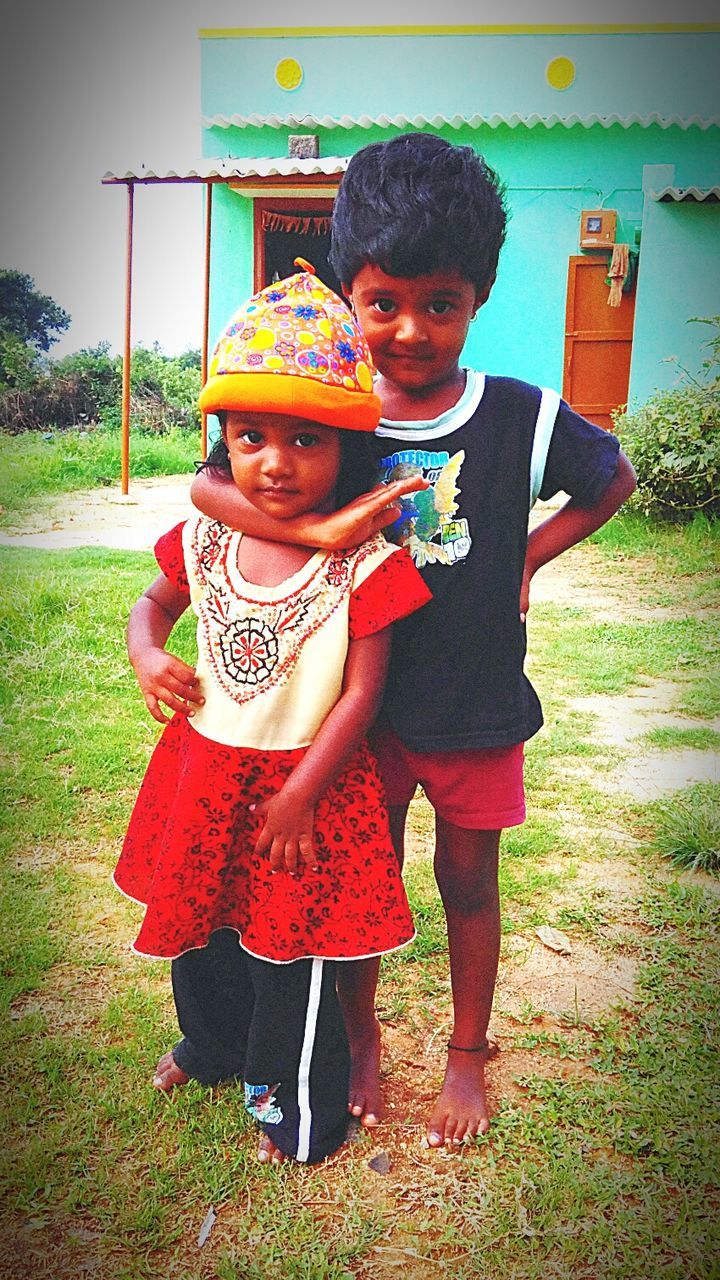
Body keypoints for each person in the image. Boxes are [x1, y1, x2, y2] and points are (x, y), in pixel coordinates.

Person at [190, 133, 637, 1149]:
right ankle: (362, 1041)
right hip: (360, 716)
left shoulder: (521, 414)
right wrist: (309, 529)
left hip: (476, 708)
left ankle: (467, 1056)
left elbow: (612, 478)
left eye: (441, 303)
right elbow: (209, 481)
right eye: (383, 302)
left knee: (468, 884)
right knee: (361, 893)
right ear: (350, 290)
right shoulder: (329, 416)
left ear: (476, 296)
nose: (409, 330)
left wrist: (527, 555)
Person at [113, 262, 432, 1165]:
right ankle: (209, 1048)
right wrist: (146, 653)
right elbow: (152, 604)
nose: (275, 462)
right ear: (223, 440)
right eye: (251, 437)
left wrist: (297, 798)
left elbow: (364, 695)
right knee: (203, 930)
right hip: (203, 770)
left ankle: (292, 1106)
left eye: (305, 440)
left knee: (291, 955)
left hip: (308, 791)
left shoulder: (365, 565)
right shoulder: (207, 533)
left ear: (347, 449)